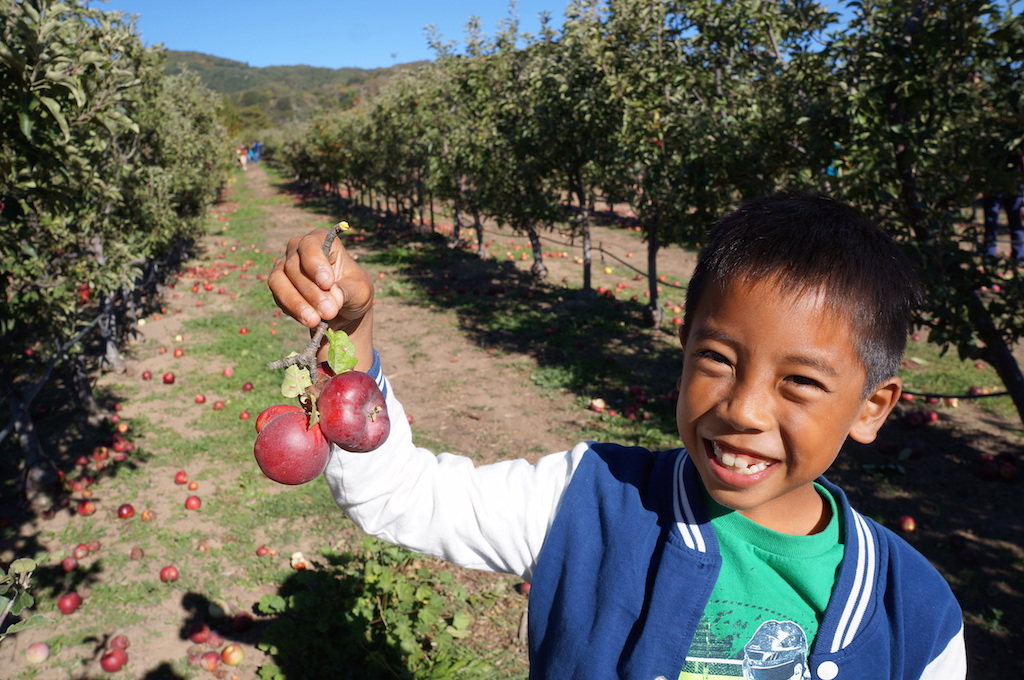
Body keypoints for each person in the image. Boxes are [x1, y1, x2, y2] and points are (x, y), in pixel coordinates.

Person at [268, 191, 966, 679]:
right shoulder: (591, 504)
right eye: (719, 359)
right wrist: (350, 335)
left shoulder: (916, 614)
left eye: (801, 383)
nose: (744, 409)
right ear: (684, 347)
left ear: (872, 407)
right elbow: (401, 497)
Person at [981, 151, 1024, 261]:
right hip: (1008, 182)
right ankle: (1019, 257)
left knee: (995, 221)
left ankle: (990, 256)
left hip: (1001, 182)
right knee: (1012, 221)